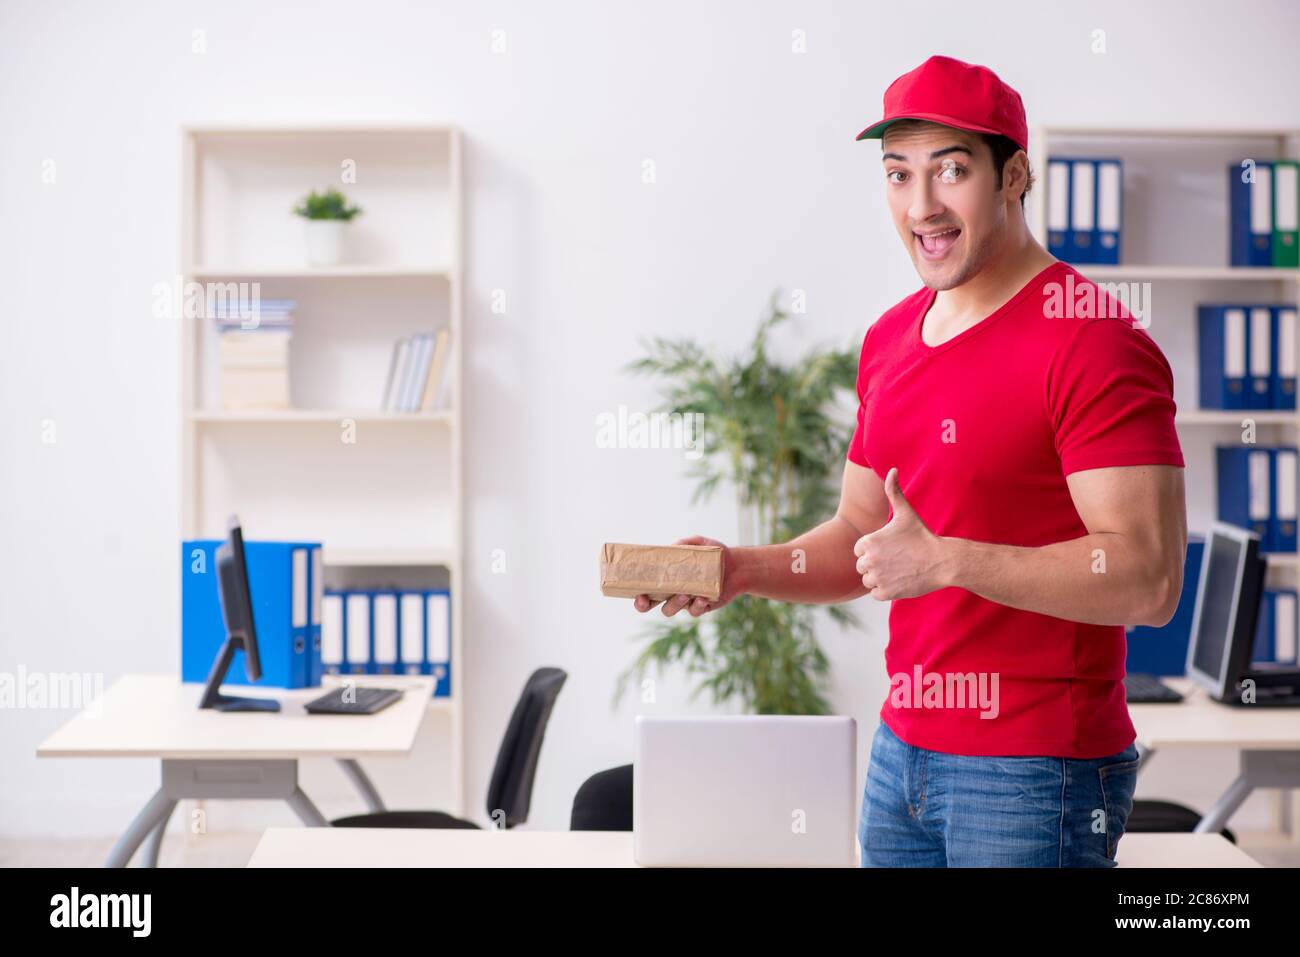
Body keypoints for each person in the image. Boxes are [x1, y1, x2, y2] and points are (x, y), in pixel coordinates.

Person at [634, 55, 1187, 867]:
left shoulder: (1092, 339)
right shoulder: (892, 338)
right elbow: (863, 533)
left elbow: (1149, 577)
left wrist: (951, 560)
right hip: (903, 756)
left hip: (1034, 772)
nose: (921, 206)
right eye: (898, 175)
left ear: (1015, 176)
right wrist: (741, 568)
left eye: (951, 170)